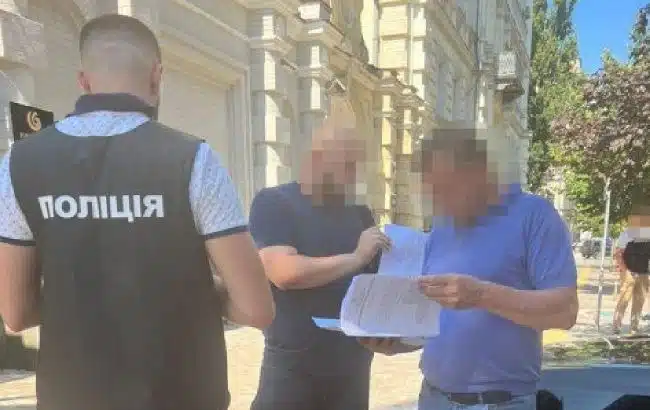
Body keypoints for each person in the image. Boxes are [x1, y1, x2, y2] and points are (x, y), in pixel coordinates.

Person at [0, 14, 274, 410]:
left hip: (71, 397)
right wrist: (189, 290)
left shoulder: (19, 164)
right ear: (157, 76)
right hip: (182, 395)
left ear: (83, 81)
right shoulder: (193, 160)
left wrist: (85, 293)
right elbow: (256, 308)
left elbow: (15, 313)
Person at [361, 132, 578, 410]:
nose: (438, 200)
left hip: (501, 403)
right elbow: (439, 323)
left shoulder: (535, 214)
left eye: (446, 188)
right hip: (434, 398)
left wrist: (481, 295)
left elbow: (565, 312)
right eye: (432, 191)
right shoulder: (443, 225)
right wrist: (395, 343)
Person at [248, 96, 391, 410]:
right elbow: (284, 272)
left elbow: (377, 281)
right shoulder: (275, 202)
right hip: (292, 375)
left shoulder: (359, 213)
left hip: (351, 374)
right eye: (347, 163)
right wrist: (355, 258)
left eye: (357, 164)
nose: (354, 173)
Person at [612, 205, 650, 334]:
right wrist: (625, 270)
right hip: (629, 272)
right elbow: (618, 254)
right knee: (624, 299)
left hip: (643, 272)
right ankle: (616, 326)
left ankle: (634, 327)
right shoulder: (627, 234)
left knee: (639, 301)